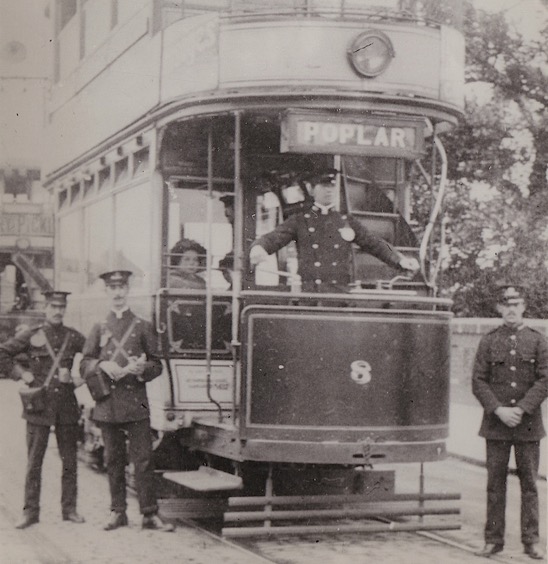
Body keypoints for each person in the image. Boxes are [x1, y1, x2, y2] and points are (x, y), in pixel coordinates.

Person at [80, 270, 174, 532]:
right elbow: (84, 364)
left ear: (128, 289)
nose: (118, 292)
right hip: (108, 402)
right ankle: (117, 512)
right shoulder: (99, 327)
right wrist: (103, 364)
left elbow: (157, 365)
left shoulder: (142, 326)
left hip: (137, 402)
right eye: (113, 287)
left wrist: (142, 369)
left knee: (144, 460)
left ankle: (148, 514)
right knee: (113, 460)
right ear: (107, 291)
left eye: (122, 287)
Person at [472, 283, 547, 560]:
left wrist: (523, 408)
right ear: (499, 308)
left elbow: (545, 378)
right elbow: (478, 381)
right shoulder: (489, 340)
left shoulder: (538, 340)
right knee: (495, 485)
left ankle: (531, 542)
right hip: (496, 425)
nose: (511, 309)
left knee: (529, 485)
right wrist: (498, 410)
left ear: (524, 307)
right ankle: (493, 541)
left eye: (516, 304)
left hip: (528, 425)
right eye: (506, 304)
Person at [249, 168, 419, 291]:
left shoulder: (345, 221)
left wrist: (399, 259)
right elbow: (274, 237)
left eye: (331, 186)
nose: (329, 190)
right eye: (323, 186)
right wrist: (259, 247)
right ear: (311, 189)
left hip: (340, 296)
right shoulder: (300, 221)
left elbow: (374, 242)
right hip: (311, 297)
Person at [0, 290, 86, 529]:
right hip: (39, 406)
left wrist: (80, 376)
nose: (57, 311)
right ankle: (30, 512)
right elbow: (3, 353)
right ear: (46, 308)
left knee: (69, 460)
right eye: (53, 306)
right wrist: (22, 373)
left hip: (66, 406)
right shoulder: (33, 334)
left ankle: (69, 509)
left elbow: (92, 358)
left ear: (65, 310)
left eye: (61, 307)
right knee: (34, 461)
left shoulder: (74, 337)